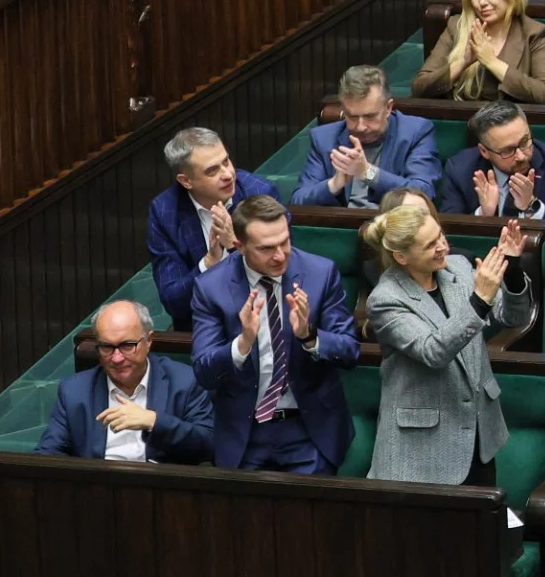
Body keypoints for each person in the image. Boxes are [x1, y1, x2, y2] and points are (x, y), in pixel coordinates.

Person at [360, 197, 530, 485]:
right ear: (402, 257)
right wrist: (479, 301)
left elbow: (512, 318)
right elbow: (433, 351)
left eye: (439, 235)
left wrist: (511, 271)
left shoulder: (458, 268)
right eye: (429, 245)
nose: (443, 247)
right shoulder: (386, 299)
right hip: (421, 448)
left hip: (478, 434)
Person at [190, 194, 360, 473]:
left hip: (309, 430)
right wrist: (242, 343)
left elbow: (350, 351)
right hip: (245, 433)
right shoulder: (211, 288)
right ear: (239, 246)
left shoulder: (320, 273)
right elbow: (204, 372)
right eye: (267, 248)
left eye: (285, 242)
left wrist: (309, 336)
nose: (280, 255)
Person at [36, 300, 212, 463]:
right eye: (107, 347)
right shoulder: (74, 390)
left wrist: (155, 422)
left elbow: (209, 444)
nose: (117, 358)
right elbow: (47, 454)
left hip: (163, 490)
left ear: (148, 341)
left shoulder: (184, 381)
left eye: (127, 345)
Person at [149, 126, 278, 329]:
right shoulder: (165, 212)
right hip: (203, 326)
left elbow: (277, 274)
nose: (227, 174)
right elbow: (174, 301)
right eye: (212, 171)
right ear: (186, 181)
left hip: (261, 319)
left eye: (226, 161)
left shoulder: (260, 194)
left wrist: (235, 247)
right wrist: (209, 263)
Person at [412, 0, 545, 102]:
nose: (482, 2)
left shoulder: (534, 33)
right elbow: (419, 88)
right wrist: (463, 62)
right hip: (463, 117)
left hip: (510, 120)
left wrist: (492, 62)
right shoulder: (457, 26)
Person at [300, 65, 440, 206]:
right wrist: (333, 184)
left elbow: (424, 193)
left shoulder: (415, 132)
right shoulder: (323, 138)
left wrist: (368, 172)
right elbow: (298, 200)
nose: (360, 127)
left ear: (388, 108)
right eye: (352, 117)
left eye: (370, 116)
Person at [434, 103, 545, 221]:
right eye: (507, 151)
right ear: (484, 151)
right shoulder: (460, 169)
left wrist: (531, 206)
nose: (520, 156)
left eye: (524, 141)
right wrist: (483, 215)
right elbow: (451, 234)